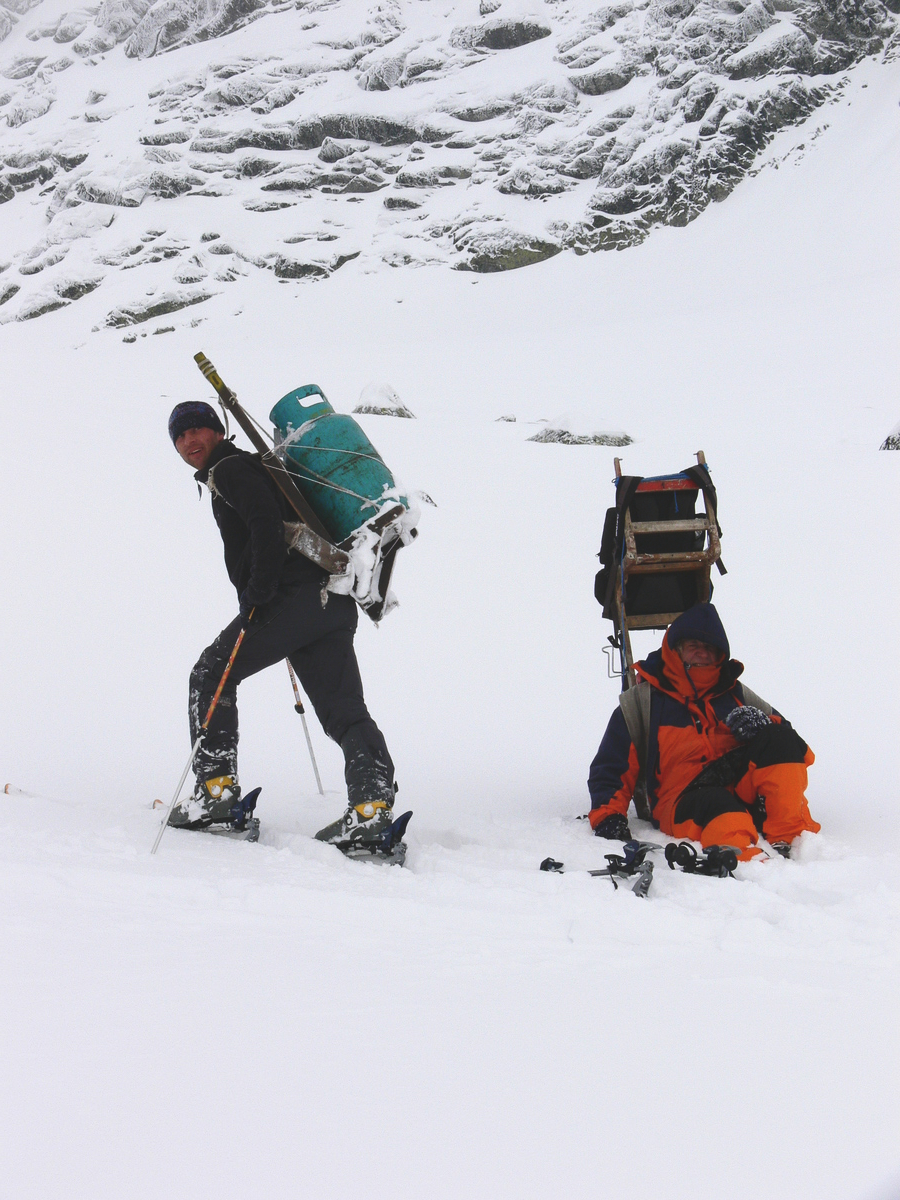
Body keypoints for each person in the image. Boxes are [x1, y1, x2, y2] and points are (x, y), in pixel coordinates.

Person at [166, 400, 396, 847]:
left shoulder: (231, 468)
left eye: (198, 429)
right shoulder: (250, 468)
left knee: (210, 675)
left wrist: (260, 590)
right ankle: (371, 808)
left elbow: (264, 522)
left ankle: (215, 793)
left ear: (218, 431)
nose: (190, 440)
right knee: (343, 710)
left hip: (289, 598)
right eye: (180, 435)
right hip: (331, 600)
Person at [587, 602, 820, 860]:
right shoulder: (643, 702)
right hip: (684, 797)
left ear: (720, 655)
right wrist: (608, 816)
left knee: (777, 735)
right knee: (715, 804)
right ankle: (746, 860)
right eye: (693, 646)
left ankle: (794, 840)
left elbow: (792, 748)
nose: (702, 653)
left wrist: (762, 726)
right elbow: (611, 766)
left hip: (739, 787)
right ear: (675, 650)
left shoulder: (736, 692)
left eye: (709, 648)